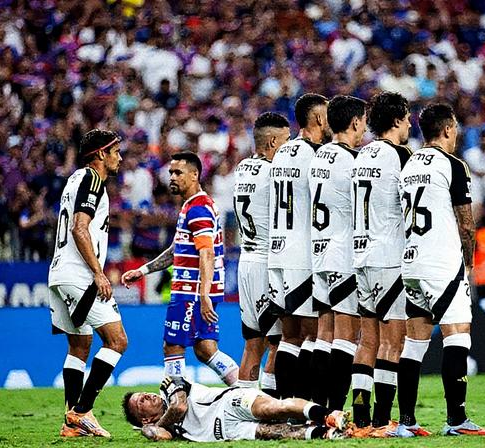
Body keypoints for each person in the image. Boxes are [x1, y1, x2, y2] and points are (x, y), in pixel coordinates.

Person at [392, 104, 485, 437]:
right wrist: (469, 263)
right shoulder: (453, 165)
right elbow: (466, 223)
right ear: (448, 129)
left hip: (411, 261)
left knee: (414, 342)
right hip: (441, 262)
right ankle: (457, 420)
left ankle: (406, 422)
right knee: (458, 333)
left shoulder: (409, 165)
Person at [122, 152, 239, 385]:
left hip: (192, 292)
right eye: (171, 173)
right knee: (205, 349)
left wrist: (203, 295)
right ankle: (244, 391)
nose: (172, 178)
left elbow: (207, 253)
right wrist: (143, 271)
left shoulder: (198, 209)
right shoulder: (193, 205)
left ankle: (176, 399)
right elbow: (177, 249)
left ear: (195, 175)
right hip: (198, 291)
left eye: (178, 173)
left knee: (173, 346)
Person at [47, 129, 127, 438]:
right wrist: (98, 272)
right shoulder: (93, 179)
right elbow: (80, 228)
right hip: (79, 275)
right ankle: (82, 411)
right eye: (115, 151)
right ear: (101, 154)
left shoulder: (74, 180)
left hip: (59, 272)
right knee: (117, 341)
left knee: (79, 345)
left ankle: (71, 424)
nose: (120, 157)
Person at [349, 91, 412, 431]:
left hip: (360, 256)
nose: (410, 125)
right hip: (388, 257)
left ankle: (360, 418)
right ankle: (382, 419)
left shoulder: (362, 154)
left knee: (367, 340)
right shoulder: (400, 155)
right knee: (392, 341)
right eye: (407, 119)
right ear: (396, 120)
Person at [268, 93, 329, 400]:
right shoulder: (316, 155)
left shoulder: (282, 152)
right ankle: (302, 406)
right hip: (302, 254)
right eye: (327, 114)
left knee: (289, 336)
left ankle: (283, 406)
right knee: (313, 334)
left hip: (277, 251)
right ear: (317, 118)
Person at [307, 95, 367, 410]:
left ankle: (317, 408)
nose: (365, 128)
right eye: (364, 121)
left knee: (323, 333)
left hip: (319, 253)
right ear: (355, 122)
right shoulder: (353, 161)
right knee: (346, 335)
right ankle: (335, 411)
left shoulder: (318, 156)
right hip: (343, 255)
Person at [232, 112, 291, 395]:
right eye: (286, 140)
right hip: (266, 262)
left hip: (245, 261)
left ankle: (243, 403)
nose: (290, 147)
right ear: (272, 142)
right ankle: (270, 404)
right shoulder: (273, 172)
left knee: (252, 342)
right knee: (281, 341)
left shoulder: (242, 168)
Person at [122, 377, 351, 442]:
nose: (147, 396)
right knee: (274, 433)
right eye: (141, 402)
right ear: (144, 419)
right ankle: (326, 433)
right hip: (225, 432)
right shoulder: (156, 428)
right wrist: (151, 429)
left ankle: (328, 415)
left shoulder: (170, 386)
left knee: (273, 409)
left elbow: (179, 407)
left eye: (143, 394)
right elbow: (157, 436)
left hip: (228, 403)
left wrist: (159, 424)